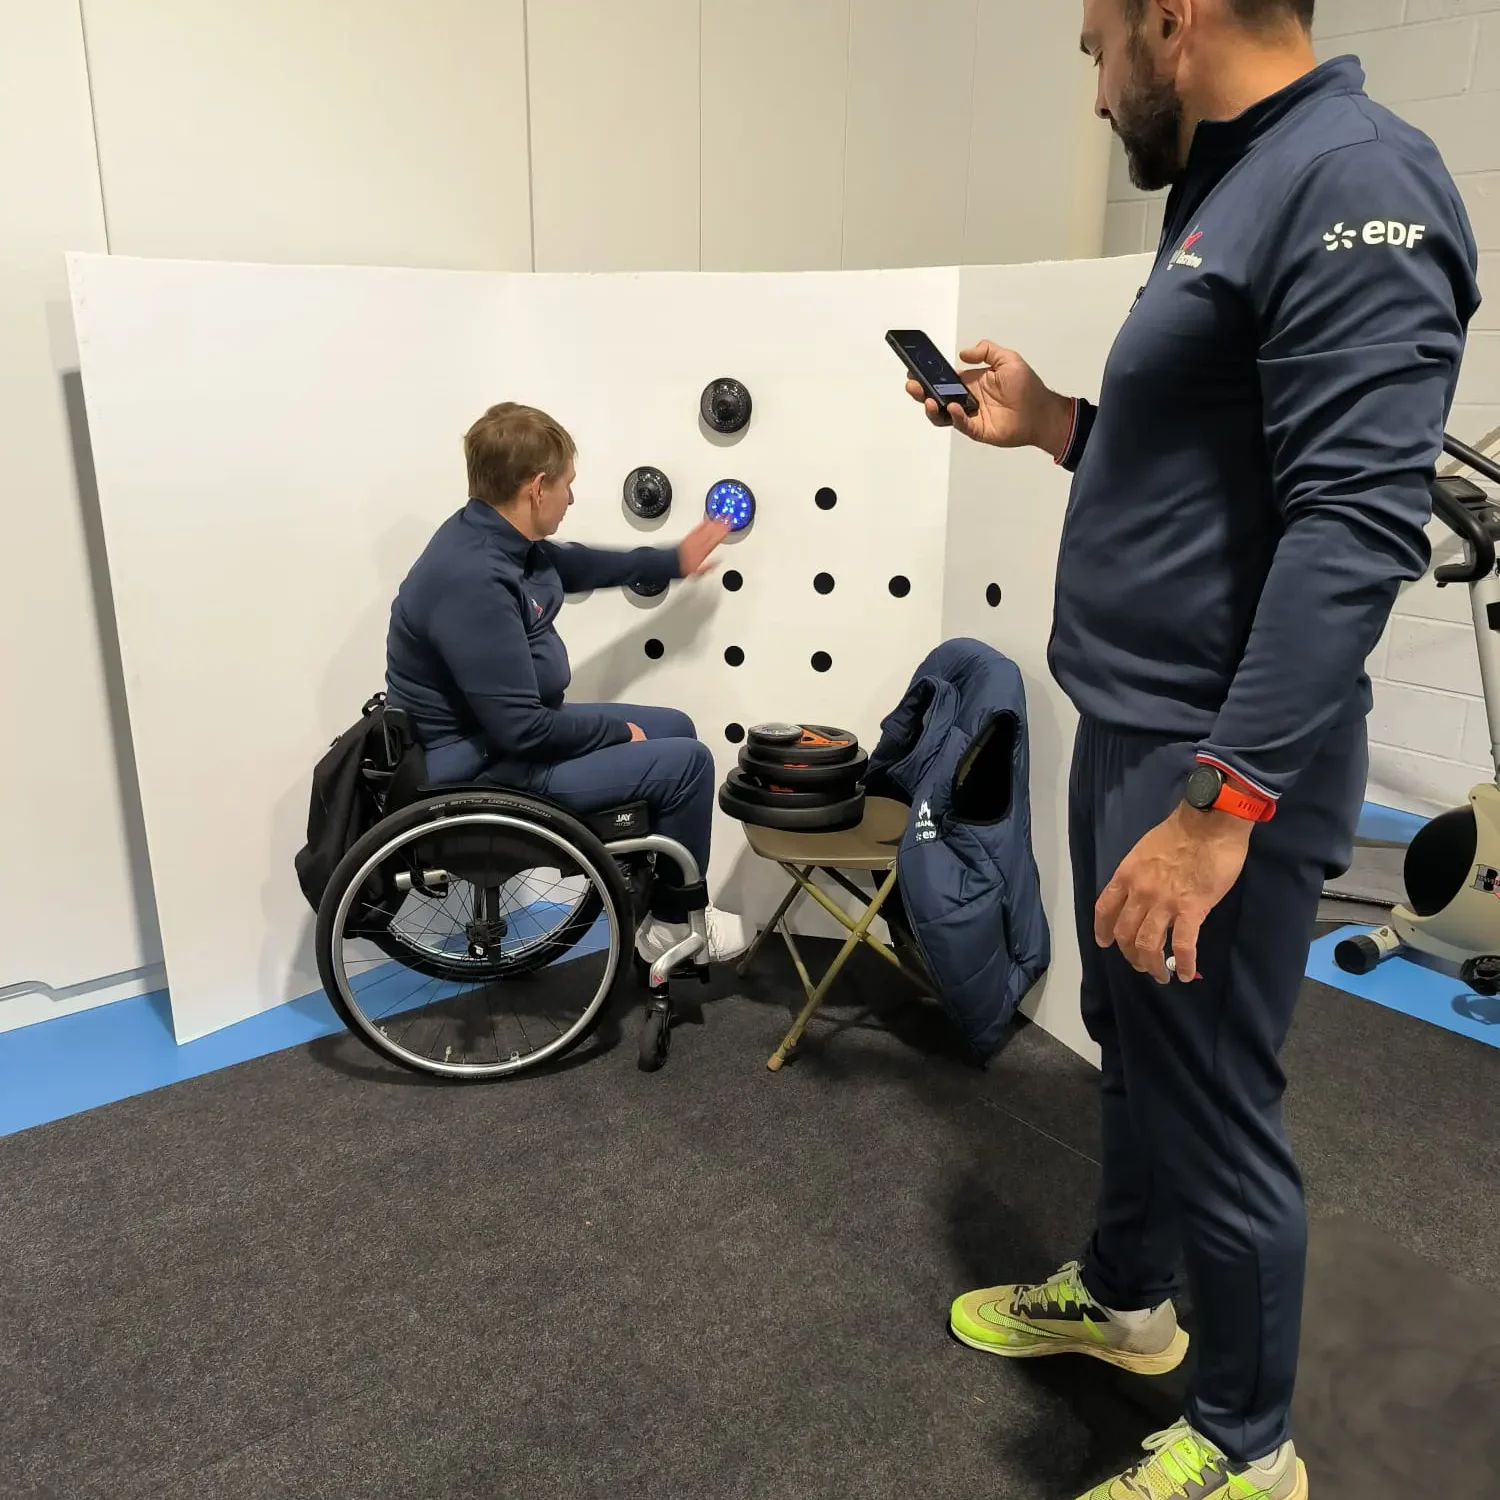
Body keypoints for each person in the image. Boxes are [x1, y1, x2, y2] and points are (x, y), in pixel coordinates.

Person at [910, 3, 1480, 1498]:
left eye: (1096, 44)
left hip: (1215, 764)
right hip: (1139, 729)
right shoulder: (1234, 185)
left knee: (1216, 1105)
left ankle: (1245, 1448)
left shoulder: (1357, 179)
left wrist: (1221, 808)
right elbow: (1200, 471)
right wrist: (1050, 423)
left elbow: (1353, 528)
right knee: (1140, 1051)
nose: (1096, 91)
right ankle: (1127, 1299)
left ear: (1169, 19)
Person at [385, 400, 751, 965]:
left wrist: (672, 560)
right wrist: (615, 735)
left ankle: (648, 893)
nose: (572, 497)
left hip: (501, 741)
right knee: (689, 762)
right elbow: (523, 730)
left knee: (674, 726)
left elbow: (572, 565)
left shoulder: (493, 535)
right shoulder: (472, 579)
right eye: (567, 485)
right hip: (478, 767)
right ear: (536, 488)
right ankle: (673, 926)